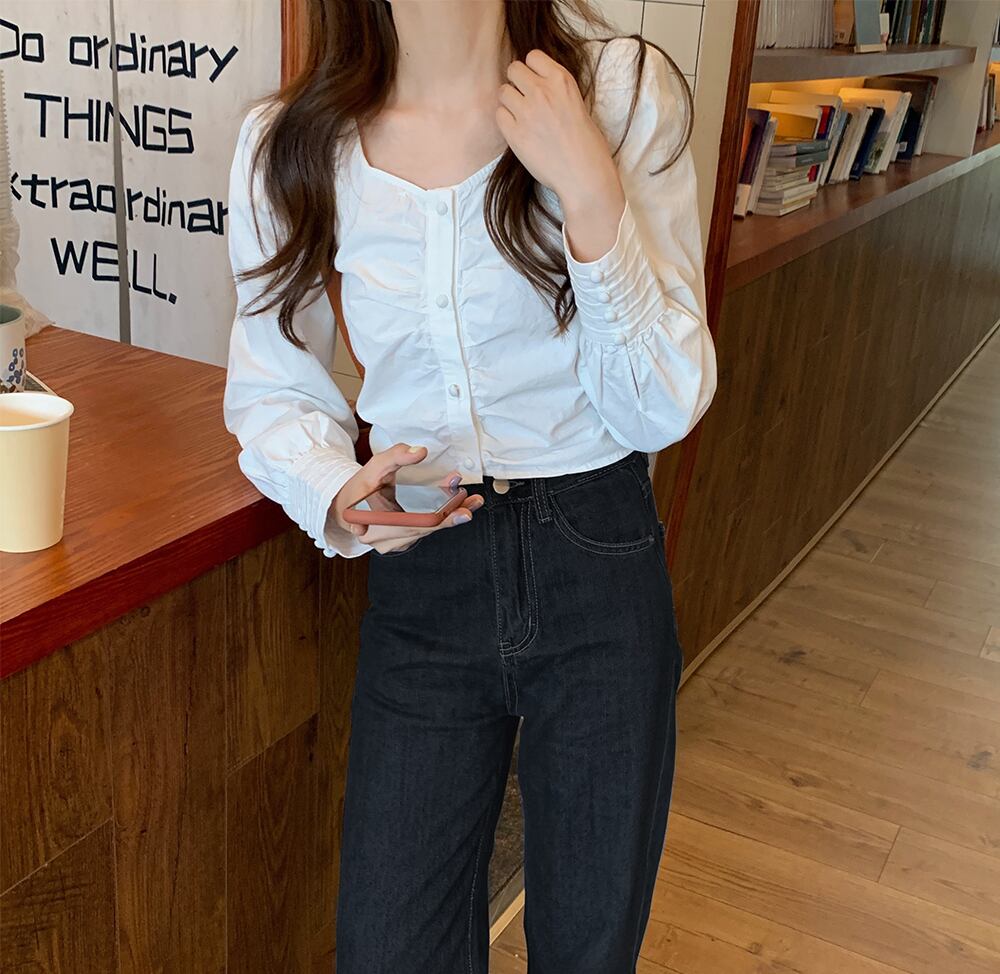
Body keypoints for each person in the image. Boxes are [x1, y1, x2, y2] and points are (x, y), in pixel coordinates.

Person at [223, 2, 717, 971]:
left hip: (596, 547)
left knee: (590, 941)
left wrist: (589, 192)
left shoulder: (617, 94)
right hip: (427, 560)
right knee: (388, 944)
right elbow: (271, 382)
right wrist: (330, 486)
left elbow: (662, 407)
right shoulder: (290, 142)